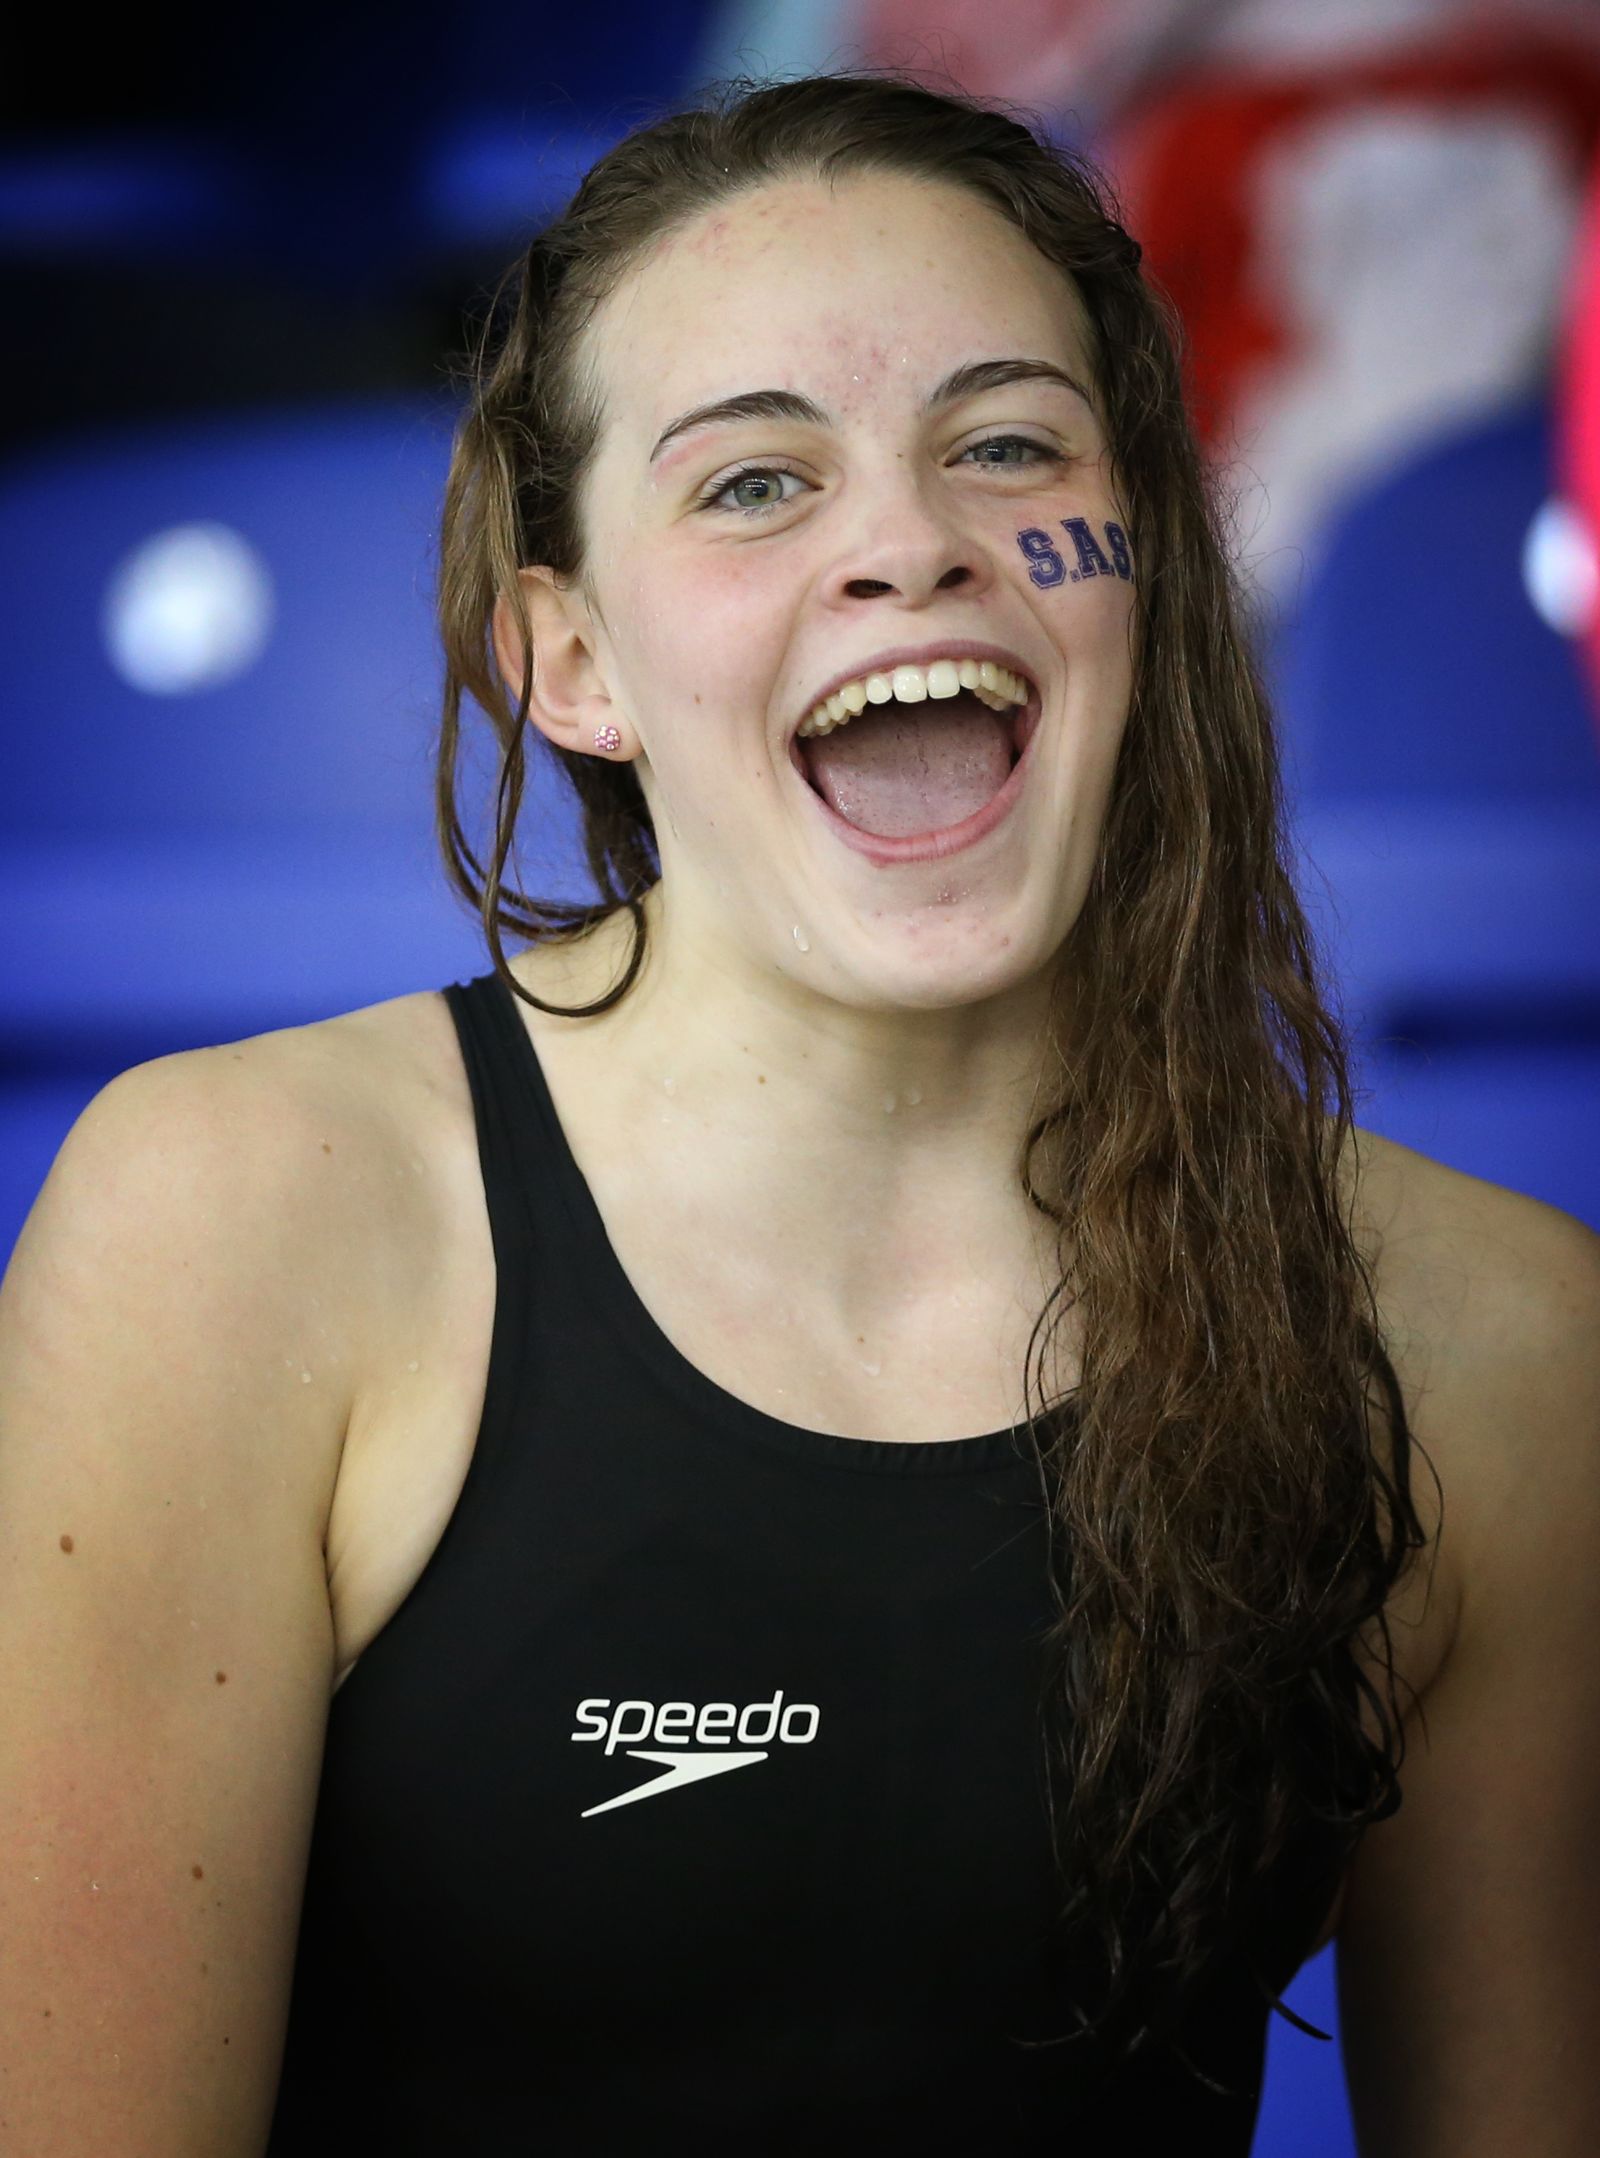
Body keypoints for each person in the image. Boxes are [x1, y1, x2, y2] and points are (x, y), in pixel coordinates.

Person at [2, 68, 1596, 2158]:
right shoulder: (230, 1230)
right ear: (567, 656)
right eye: (754, 482)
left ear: (1142, 568)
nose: (908, 544)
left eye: (1006, 445)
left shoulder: (1490, 1346)